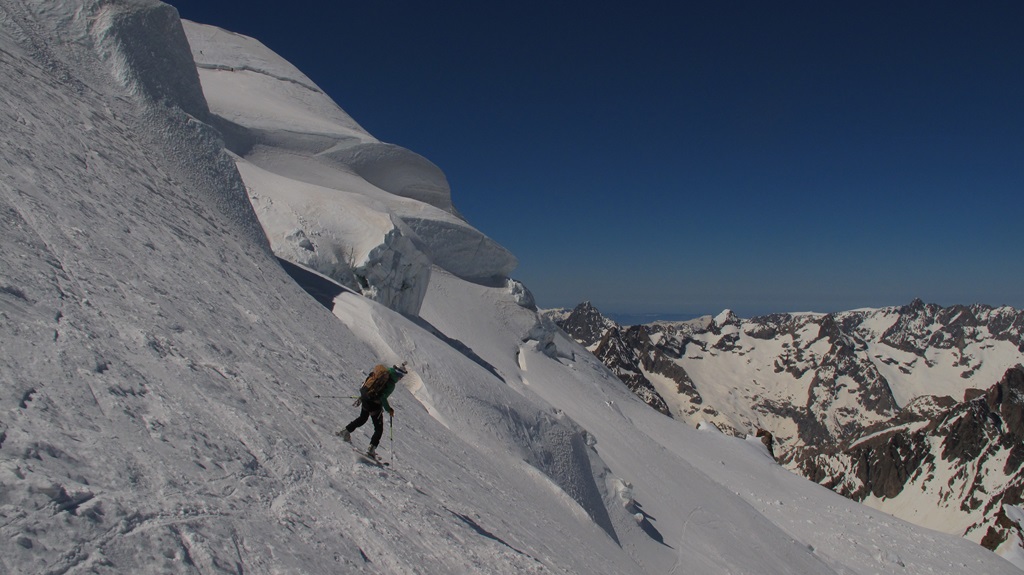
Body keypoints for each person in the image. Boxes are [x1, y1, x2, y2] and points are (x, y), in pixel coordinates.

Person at [338, 363, 406, 457]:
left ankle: (345, 431)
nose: (401, 378)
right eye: (401, 376)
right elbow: (383, 397)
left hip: (366, 398)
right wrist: (388, 409)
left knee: (362, 418)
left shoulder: (383, 373)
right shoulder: (391, 383)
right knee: (378, 429)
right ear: (398, 375)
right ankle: (371, 448)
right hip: (374, 404)